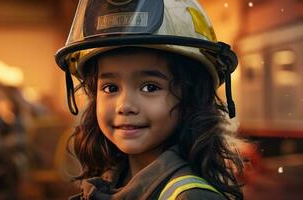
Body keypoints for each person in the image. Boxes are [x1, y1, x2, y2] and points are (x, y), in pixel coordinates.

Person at [54, 0, 244, 199]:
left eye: (150, 87)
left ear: (192, 98)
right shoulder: (113, 180)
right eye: (110, 88)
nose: (125, 106)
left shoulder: (192, 197)